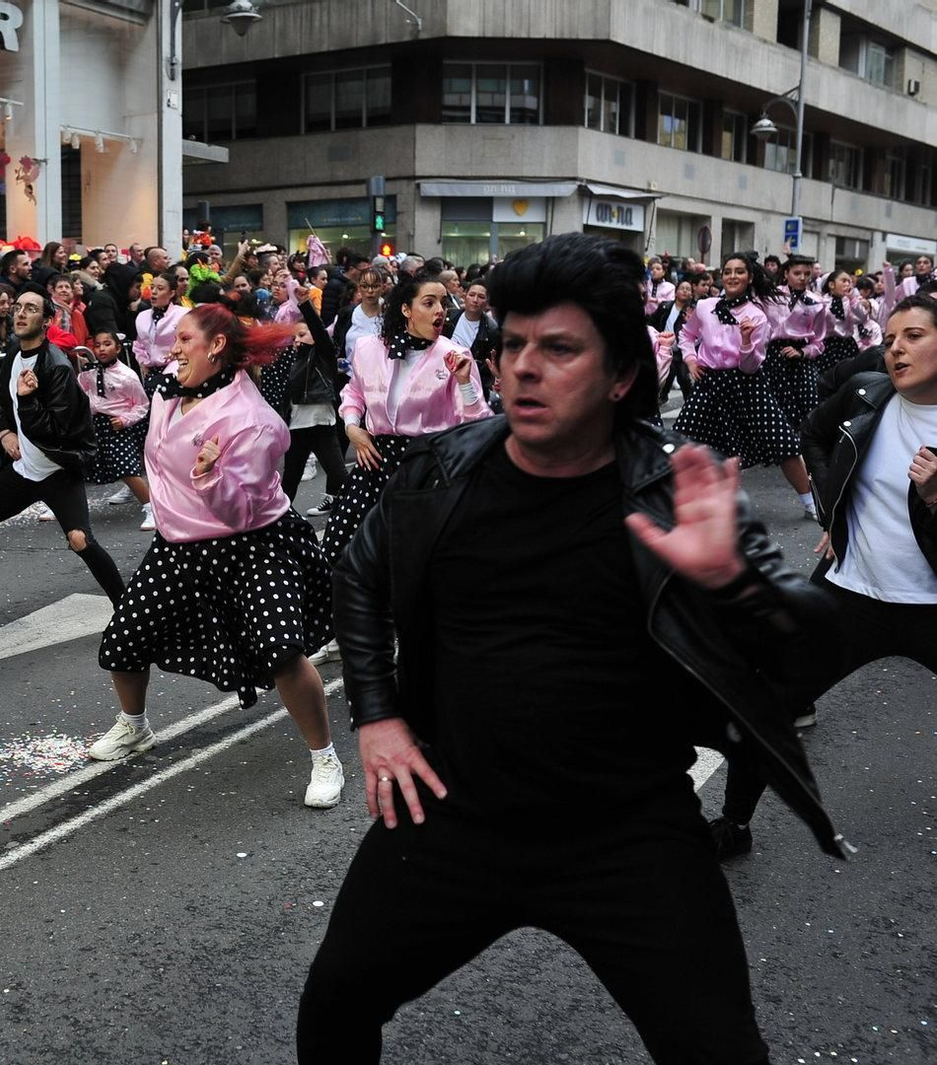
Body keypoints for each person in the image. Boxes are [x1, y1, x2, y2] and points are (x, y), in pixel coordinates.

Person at [297, 233, 845, 1064]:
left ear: (620, 374)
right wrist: (376, 714)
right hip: (456, 813)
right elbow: (360, 577)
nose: (523, 367)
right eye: (513, 344)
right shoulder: (443, 471)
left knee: (720, 1048)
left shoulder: (679, 490)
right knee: (334, 1007)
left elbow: (808, 650)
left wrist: (733, 583)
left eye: (558, 349)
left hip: (627, 832)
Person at [706, 293, 937, 859]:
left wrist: (935, 498)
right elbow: (811, 433)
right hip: (851, 594)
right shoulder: (868, 394)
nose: (896, 350)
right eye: (889, 339)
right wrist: (835, 511)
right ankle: (733, 825)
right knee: (766, 700)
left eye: (913, 337)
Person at [90, 303, 344, 807]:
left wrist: (209, 476)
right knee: (123, 640)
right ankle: (134, 726)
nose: (174, 350)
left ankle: (325, 758)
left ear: (217, 346)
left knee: (282, 653)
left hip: (253, 544)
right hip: (180, 543)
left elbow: (239, 512)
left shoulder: (251, 421)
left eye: (185, 339)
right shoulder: (171, 384)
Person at [0, 284, 127, 621]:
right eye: (18, 307)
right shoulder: (13, 355)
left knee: (79, 539)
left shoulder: (56, 366)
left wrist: (28, 400)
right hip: (23, 470)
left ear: (47, 320)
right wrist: (4, 432)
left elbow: (55, 430)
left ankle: (127, 611)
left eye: (31, 309)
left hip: (58, 470)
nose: (21, 313)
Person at [322, 273, 490, 567]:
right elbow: (354, 393)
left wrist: (464, 382)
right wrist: (351, 428)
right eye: (429, 302)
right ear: (406, 309)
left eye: (443, 303)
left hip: (427, 469)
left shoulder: (454, 355)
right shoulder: (368, 348)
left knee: (415, 561)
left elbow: (477, 425)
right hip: (374, 463)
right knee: (343, 551)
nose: (440, 310)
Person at [675, 251, 817, 518]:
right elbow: (687, 334)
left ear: (750, 277)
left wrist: (746, 341)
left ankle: (811, 502)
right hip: (710, 383)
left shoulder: (757, 316)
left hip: (748, 383)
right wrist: (691, 360)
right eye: (728, 271)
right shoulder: (705, 306)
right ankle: (679, 502)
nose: (732, 276)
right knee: (683, 443)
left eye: (739, 271)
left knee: (783, 442)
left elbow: (750, 366)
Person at [279, 288, 348, 516]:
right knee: (289, 481)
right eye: (294, 338)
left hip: (322, 427)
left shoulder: (323, 355)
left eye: (302, 335)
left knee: (340, 477)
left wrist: (305, 304)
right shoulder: (293, 362)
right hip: (296, 430)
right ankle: (281, 522)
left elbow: (319, 332)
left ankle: (360, 516)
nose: (297, 341)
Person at [76, 328, 154, 530]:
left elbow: (142, 404)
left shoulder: (127, 376)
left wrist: (124, 419)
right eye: (97, 345)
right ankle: (65, 508)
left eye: (107, 344)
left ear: (118, 348)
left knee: (126, 467)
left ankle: (151, 509)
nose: (101, 349)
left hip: (117, 425)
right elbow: (83, 391)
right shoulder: (90, 372)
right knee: (80, 466)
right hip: (95, 425)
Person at [764, 254, 830, 432]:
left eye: (807, 274)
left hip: (801, 357)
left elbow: (819, 340)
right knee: (775, 407)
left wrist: (802, 352)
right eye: (797, 273)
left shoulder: (817, 302)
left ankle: (806, 443)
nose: (802, 278)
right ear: (786, 274)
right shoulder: (771, 296)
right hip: (773, 356)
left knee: (810, 404)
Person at [132, 272, 186, 397]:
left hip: (176, 369)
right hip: (151, 371)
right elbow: (139, 344)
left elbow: (190, 342)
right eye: (152, 287)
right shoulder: (142, 316)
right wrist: (143, 362)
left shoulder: (183, 314)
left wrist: (177, 357)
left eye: (160, 288)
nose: (154, 292)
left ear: (171, 293)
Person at [648, 278, 695, 403]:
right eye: (682, 288)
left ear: (691, 293)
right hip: (667, 348)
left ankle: (689, 402)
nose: (685, 291)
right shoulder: (665, 307)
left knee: (684, 378)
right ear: (676, 292)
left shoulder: (692, 311)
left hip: (682, 352)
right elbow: (652, 321)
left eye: (688, 289)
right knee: (667, 375)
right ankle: (662, 397)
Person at [819, 268, 869, 376]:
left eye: (849, 281)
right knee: (828, 376)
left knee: (849, 376)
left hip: (847, 344)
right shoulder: (822, 301)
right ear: (831, 285)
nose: (847, 284)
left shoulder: (850, 301)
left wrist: (852, 299)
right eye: (844, 281)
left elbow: (861, 318)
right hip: (828, 345)